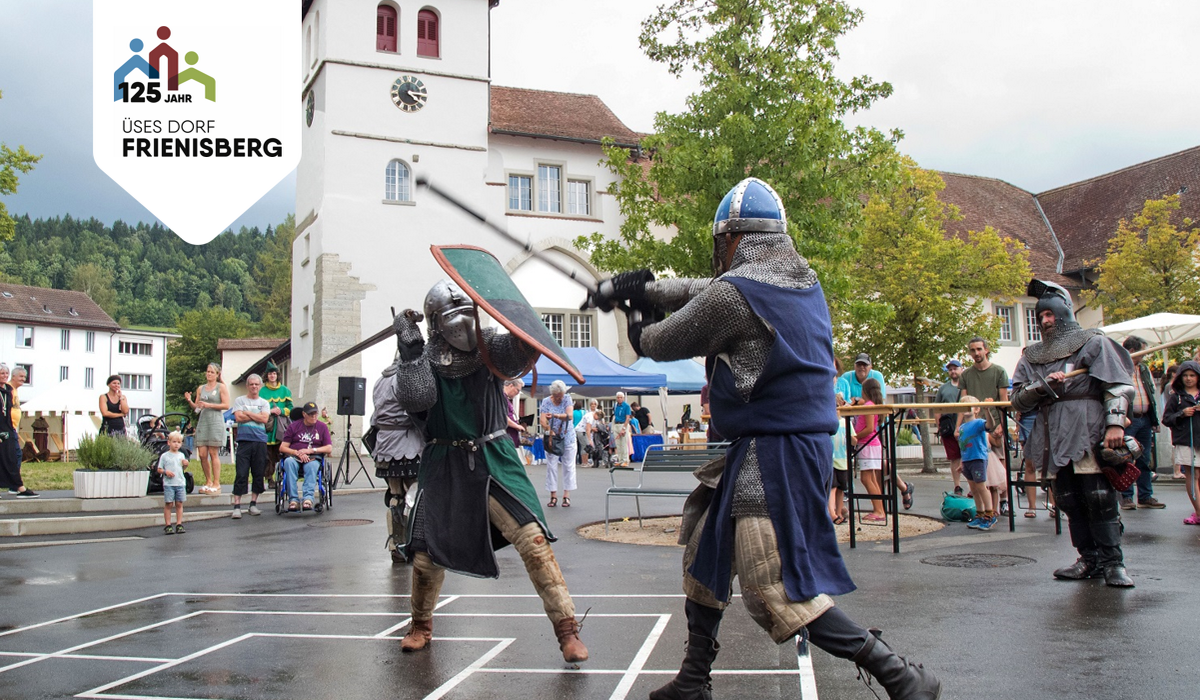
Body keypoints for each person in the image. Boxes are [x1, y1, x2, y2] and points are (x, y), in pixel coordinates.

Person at [587, 177, 938, 699]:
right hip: (778, 447)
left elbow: (660, 341)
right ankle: (692, 680)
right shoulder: (800, 283)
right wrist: (642, 287)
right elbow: (703, 292)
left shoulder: (737, 296)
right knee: (705, 556)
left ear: (730, 239)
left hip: (775, 455)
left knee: (773, 589)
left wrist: (634, 315)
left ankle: (900, 675)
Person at [390, 279, 588, 663]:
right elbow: (418, 399)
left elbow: (523, 349)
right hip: (445, 464)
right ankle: (420, 625)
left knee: (533, 541)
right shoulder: (421, 360)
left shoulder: (489, 348)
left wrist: (516, 315)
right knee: (428, 556)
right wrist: (411, 351)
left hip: (494, 456)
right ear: (435, 323)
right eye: (453, 316)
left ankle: (567, 630)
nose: (464, 323)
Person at [1010, 279, 1136, 588]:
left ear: (1063, 312)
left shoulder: (1094, 342)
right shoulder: (1032, 355)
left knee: (1098, 496)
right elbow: (1017, 398)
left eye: (1050, 315)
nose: (1044, 321)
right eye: (1040, 317)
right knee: (1069, 499)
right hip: (1052, 434)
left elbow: (1117, 385)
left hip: (1087, 428)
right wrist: (1043, 387)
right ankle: (1088, 559)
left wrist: (1115, 424)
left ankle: (1112, 562)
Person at [371, 364, 424, 564]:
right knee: (415, 495)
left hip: (385, 445)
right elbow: (418, 412)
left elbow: (375, 418)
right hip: (407, 443)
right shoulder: (406, 379)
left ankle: (396, 546)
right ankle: (412, 545)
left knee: (395, 496)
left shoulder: (380, 380)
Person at [957, 337, 1009, 513]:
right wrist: (958, 426)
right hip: (973, 426)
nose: (976, 353)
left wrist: (1002, 424)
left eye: (979, 349)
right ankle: (986, 510)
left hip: (992, 423)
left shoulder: (999, 371)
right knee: (979, 470)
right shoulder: (966, 375)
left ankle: (1004, 500)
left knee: (998, 466)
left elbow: (1003, 400)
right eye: (973, 350)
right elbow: (962, 403)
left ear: (986, 350)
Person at [1119, 336, 1165, 509]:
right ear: (1132, 351)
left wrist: (1153, 420)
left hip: (1144, 418)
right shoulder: (1121, 369)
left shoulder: (1144, 369)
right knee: (1126, 458)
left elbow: (1151, 395)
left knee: (1145, 459)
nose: (1144, 356)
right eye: (1143, 352)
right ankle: (1126, 497)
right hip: (1129, 420)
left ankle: (1145, 496)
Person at [1161, 361, 1200, 524]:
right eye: (1185, 376)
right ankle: (1198, 512)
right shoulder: (1176, 396)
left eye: (1192, 375)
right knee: (1193, 475)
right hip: (1185, 441)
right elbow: (1166, 419)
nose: (1189, 379)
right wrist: (1182, 414)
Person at [279, 402, 333, 511]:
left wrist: (310, 450)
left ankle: (308, 499)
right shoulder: (294, 426)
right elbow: (283, 447)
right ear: (304, 414)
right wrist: (297, 452)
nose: (314, 417)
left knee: (312, 467)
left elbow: (328, 448)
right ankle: (293, 500)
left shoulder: (322, 427)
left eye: (315, 414)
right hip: (295, 456)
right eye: (310, 414)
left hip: (313, 457)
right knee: (288, 463)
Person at [230, 374, 270, 519]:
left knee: (258, 472)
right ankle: (237, 505)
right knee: (241, 472)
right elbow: (238, 418)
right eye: (251, 384)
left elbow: (264, 419)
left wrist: (247, 412)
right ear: (247, 386)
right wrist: (255, 415)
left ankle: (253, 503)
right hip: (244, 440)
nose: (254, 387)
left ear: (260, 386)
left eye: (256, 384)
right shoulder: (239, 400)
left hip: (259, 440)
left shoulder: (264, 403)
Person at [185, 363, 229, 494]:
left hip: (215, 421)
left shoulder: (221, 387)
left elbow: (226, 405)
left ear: (217, 374)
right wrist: (190, 401)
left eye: (211, 372)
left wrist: (209, 404)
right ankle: (208, 480)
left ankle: (216, 482)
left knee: (213, 453)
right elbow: (197, 409)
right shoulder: (201, 388)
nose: (209, 374)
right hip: (203, 421)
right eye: (207, 371)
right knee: (202, 454)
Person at [957, 396, 997, 530]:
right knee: (973, 489)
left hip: (978, 458)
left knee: (981, 487)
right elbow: (962, 445)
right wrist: (961, 462)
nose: (967, 409)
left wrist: (987, 411)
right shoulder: (962, 427)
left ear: (976, 409)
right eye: (964, 406)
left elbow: (990, 426)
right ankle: (979, 514)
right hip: (967, 460)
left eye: (970, 406)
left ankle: (989, 514)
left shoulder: (979, 422)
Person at [854, 378, 888, 522]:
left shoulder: (868, 406)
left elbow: (869, 428)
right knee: (872, 478)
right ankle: (879, 509)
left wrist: (854, 436)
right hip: (873, 444)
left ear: (865, 391)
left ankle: (879, 510)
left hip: (867, 444)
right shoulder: (872, 404)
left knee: (866, 478)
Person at [0, 365, 36, 498]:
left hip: (9, 428)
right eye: (2, 373)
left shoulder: (8, 390)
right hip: (4, 429)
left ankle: (17, 486)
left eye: (6, 373)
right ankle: (16, 486)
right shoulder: (7, 390)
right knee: (13, 457)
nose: (24, 379)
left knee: (13, 457)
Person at [541, 380, 577, 508]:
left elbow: (570, 415)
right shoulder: (546, 401)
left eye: (561, 395)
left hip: (568, 436)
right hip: (552, 437)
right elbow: (543, 420)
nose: (560, 398)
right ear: (553, 394)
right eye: (557, 396)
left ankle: (566, 496)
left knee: (568, 466)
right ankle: (553, 495)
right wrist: (549, 430)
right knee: (551, 466)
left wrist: (555, 415)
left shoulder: (567, 398)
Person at [260, 361, 293, 487]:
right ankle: (269, 478)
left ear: (277, 375)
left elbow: (291, 407)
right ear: (267, 376)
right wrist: (269, 411)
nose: (272, 376)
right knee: (267, 455)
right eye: (270, 374)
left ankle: (283, 476)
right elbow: (258, 407)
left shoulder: (285, 390)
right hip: (267, 427)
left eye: (274, 373)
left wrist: (282, 411)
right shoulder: (262, 391)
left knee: (281, 452)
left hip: (281, 427)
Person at [157, 431, 189, 534]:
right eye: (174, 442)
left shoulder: (181, 455)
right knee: (169, 504)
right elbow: (159, 469)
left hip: (180, 483)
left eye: (179, 442)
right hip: (169, 484)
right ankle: (168, 524)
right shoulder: (165, 456)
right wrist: (166, 472)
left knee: (179, 503)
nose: (176, 444)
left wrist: (186, 464)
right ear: (169, 442)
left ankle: (179, 523)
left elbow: (183, 468)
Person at [1160, 364, 1184, 479]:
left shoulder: (1168, 386)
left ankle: (1178, 470)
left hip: (1174, 417)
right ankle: (1177, 471)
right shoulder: (1171, 387)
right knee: (1177, 445)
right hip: (1175, 417)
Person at [502, 378, 525, 448]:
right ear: (511, 386)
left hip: (510, 439)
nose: (518, 393)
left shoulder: (506, 398)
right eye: (518, 390)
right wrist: (517, 426)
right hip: (506, 439)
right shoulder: (502, 398)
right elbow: (503, 417)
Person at [612, 391, 632, 466]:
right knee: (618, 444)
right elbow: (615, 416)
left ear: (623, 398)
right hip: (616, 424)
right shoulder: (616, 405)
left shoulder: (626, 406)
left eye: (621, 397)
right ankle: (620, 460)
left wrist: (624, 428)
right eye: (618, 397)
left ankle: (625, 460)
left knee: (624, 443)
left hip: (623, 424)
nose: (619, 399)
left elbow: (627, 418)